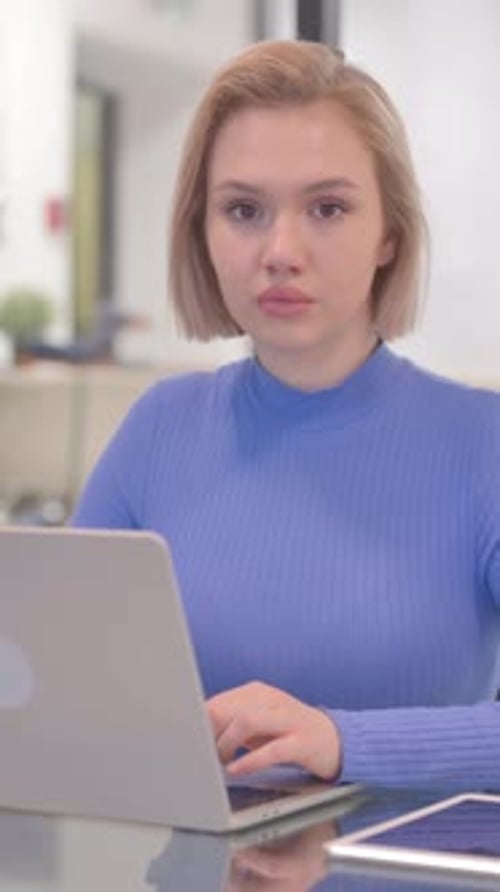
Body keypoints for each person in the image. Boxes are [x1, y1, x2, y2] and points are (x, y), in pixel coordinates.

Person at [72, 40, 500, 791]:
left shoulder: (481, 444)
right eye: (243, 210)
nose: (280, 250)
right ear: (201, 232)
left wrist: (342, 739)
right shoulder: (158, 429)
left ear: (389, 234)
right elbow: (56, 688)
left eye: (328, 208)